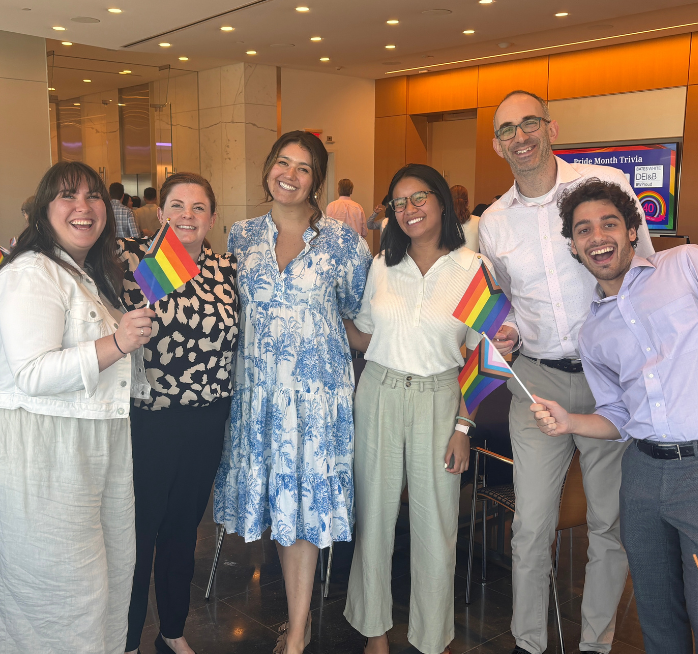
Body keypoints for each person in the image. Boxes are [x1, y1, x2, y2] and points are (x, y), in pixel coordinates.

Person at [531, 178, 698, 654]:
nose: (597, 237)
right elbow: (617, 415)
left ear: (632, 230)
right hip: (643, 475)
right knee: (656, 615)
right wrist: (570, 422)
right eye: (584, 230)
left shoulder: (689, 265)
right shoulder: (593, 331)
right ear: (574, 246)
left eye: (609, 223)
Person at [478, 90, 655, 654]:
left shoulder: (603, 188)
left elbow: (644, 271)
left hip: (610, 380)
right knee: (531, 526)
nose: (520, 137)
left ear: (549, 126)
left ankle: (596, 644)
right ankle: (529, 642)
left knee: (609, 522)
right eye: (507, 130)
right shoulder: (494, 222)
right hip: (537, 381)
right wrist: (504, 330)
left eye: (529, 123)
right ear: (497, 145)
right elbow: (502, 297)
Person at [0, 161, 155, 652]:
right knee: (55, 599)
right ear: (43, 209)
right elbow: (33, 374)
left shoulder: (83, 273)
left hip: (87, 448)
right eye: (67, 196)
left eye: (94, 196)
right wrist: (117, 343)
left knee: (101, 589)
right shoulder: (30, 272)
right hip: (39, 450)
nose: (83, 207)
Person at [213, 130, 371, 654]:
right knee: (283, 508)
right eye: (283, 162)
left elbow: (361, 318)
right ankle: (295, 621)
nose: (291, 174)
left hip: (318, 397)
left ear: (316, 181)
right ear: (268, 169)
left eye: (304, 168)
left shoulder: (344, 243)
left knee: (305, 509)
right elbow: (213, 301)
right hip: (259, 393)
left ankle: (298, 631)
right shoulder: (240, 237)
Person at [343, 164, 483, 654]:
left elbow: (484, 356)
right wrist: (325, 313)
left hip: (440, 401)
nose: (409, 210)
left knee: (436, 526)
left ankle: (432, 637)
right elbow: (363, 334)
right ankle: (374, 631)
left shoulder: (473, 268)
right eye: (398, 203)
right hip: (378, 393)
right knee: (375, 520)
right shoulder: (381, 264)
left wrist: (464, 425)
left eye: (418, 197)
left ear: (442, 201)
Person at [118, 172, 239, 654]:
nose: (187, 216)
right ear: (161, 211)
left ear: (212, 217)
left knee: (183, 532)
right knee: (138, 535)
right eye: (177, 205)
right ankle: (126, 639)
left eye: (198, 207)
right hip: (148, 420)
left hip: (207, 419)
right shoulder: (131, 257)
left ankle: (172, 630)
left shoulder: (225, 267)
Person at [449, 184, 478, 252]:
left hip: (448, 262)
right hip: (473, 262)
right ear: (468, 202)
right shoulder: (479, 221)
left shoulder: (441, 222)